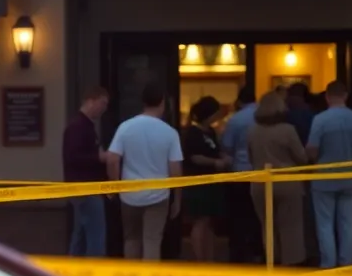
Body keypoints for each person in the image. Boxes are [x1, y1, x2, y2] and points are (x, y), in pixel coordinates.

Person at [106, 82, 184, 260]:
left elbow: (112, 159)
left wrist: (115, 186)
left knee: (131, 239)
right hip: (158, 196)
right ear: (162, 102)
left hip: (129, 194)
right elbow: (175, 169)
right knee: (152, 240)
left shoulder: (126, 127)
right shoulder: (170, 133)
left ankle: (132, 275)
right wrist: (177, 198)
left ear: (143, 102)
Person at [306, 81, 352, 268]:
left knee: (324, 224)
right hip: (350, 178)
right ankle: (346, 263)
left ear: (327, 96)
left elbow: (312, 151)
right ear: (346, 95)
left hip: (323, 179)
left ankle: (328, 264)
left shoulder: (320, 120)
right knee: (347, 223)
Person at [248, 91, 309, 267]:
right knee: (291, 225)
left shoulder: (252, 131)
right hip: (287, 182)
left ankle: (272, 259)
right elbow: (302, 158)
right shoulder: (288, 130)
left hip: (260, 182)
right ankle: (291, 262)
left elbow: (251, 157)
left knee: (267, 224)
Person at [62, 86, 111, 256]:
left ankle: (74, 268)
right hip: (86, 189)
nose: (104, 108)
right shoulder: (78, 127)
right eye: (102, 103)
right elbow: (73, 157)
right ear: (90, 101)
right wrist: (99, 157)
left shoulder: (85, 126)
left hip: (83, 189)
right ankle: (95, 268)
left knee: (81, 236)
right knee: (96, 236)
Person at [181, 95, 230, 262]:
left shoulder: (211, 132)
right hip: (198, 183)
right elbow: (194, 157)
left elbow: (215, 150)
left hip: (212, 183)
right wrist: (215, 162)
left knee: (209, 222)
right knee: (200, 221)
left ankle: (209, 258)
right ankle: (199, 258)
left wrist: (223, 157)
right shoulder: (193, 133)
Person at [221, 85, 262, 263]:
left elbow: (227, 146)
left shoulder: (235, 120)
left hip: (239, 172)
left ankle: (238, 254)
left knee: (238, 216)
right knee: (258, 215)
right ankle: (258, 250)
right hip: (260, 171)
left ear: (240, 101)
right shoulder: (263, 116)